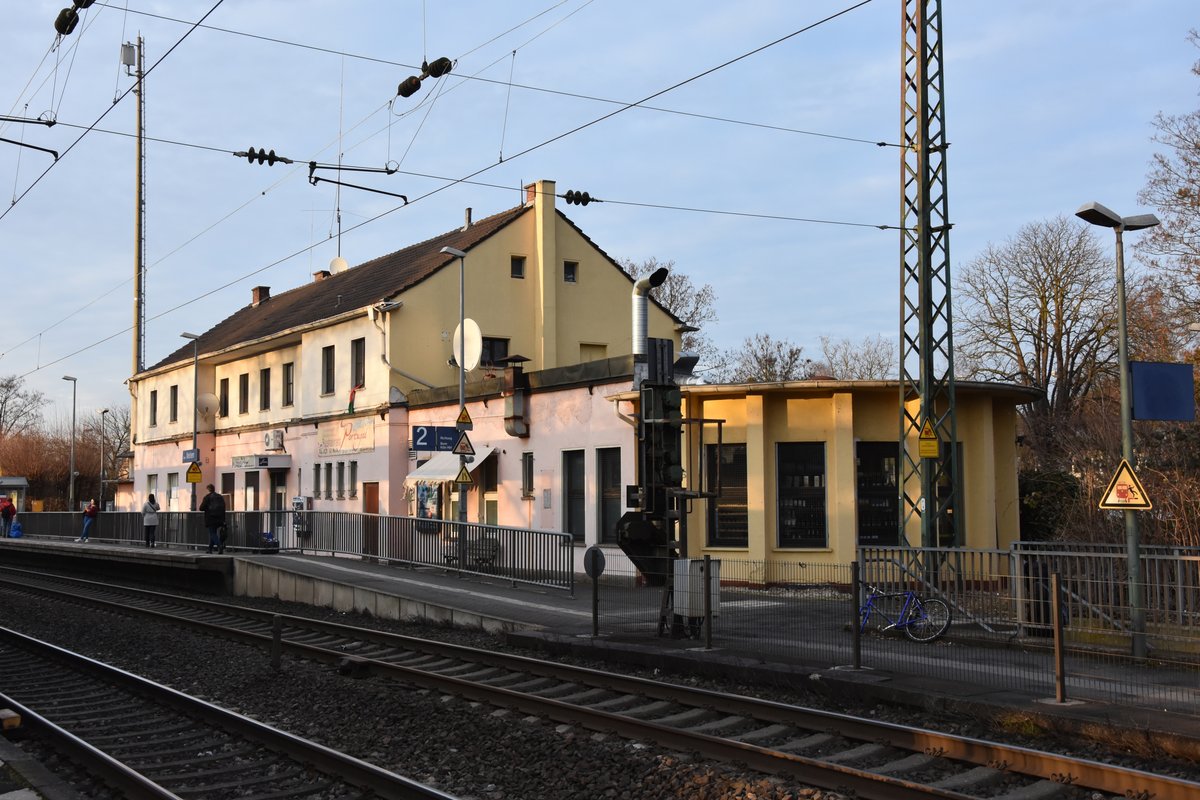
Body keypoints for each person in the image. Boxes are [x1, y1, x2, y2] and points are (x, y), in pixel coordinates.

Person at [199, 484, 226, 554]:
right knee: (213, 533)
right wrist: (223, 519)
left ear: (208, 489)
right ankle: (210, 549)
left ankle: (219, 546)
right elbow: (223, 508)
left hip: (211, 518)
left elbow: (201, 508)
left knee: (213, 533)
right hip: (220, 518)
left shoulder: (207, 497)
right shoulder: (220, 497)